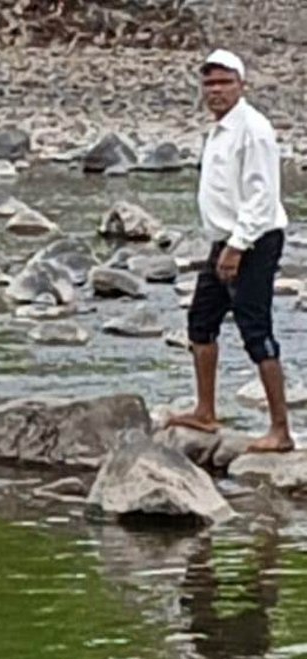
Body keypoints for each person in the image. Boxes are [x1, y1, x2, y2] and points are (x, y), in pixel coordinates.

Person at [167, 50, 293, 453]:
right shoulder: (220, 129)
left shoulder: (252, 129)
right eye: (209, 83)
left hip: (253, 241)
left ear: (241, 85)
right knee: (201, 320)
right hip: (225, 240)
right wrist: (225, 243)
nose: (215, 91)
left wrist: (238, 246)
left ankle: (281, 430)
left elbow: (262, 194)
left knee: (255, 327)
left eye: (223, 82)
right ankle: (205, 410)